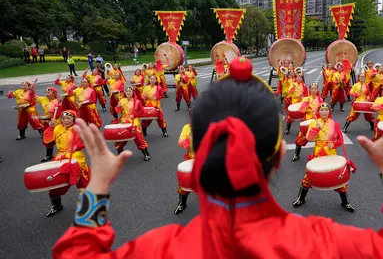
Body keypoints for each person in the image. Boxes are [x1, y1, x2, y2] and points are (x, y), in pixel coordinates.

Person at [53, 57, 383, 258]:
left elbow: (77, 254)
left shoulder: (162, 250)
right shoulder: (324, 245)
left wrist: (96, 185)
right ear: (280, 153)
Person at [292, 102, 355, 212]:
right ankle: (301, 199)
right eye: (322, 110)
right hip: (318, 152)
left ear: (329, 111)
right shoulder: (314, 122)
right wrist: (315, 129)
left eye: (326, 110)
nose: (324, 112)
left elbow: (340, 140)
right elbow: (309, 138)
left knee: (337, 176)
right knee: (308, 177)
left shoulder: (335, 124)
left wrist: (334, 144)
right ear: (318, 112)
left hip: (331, 153)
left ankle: (345, 202)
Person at [44, 110, 90, 217]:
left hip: (75, 156)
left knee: (83, 181)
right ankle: (56, 205)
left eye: (68, 118)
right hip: (60, 157)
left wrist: (77, 147)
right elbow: (48, 141)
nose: (65, 120)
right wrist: (50, 128)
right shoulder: (58, 128)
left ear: (73, 119)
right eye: (63, 118)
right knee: (55, 181)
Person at [115, 87, 150, 161]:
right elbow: (118, 111)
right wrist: (118, 106)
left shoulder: (137, 102)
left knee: (139, 137)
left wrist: (134, 115)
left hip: (134, 121)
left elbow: (142, 112)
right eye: (127, 91)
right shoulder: (122, 100)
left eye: (130, 91)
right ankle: (120, 151)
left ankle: (146, 154)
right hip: (124, 121)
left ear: (133, 92)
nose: (128, 92)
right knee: (121, 137)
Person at [291, 83, 323, 161]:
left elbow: (323, 112)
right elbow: (301, 111)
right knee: (300, 139)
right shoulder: (306, 99)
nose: (314, 90)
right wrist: (306, 104)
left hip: (315, 122)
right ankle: (296, 154)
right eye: (312, 88)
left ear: (317, 90)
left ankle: (317, 156)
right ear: (309, 89)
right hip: (307, 121)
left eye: (315, 88)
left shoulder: (320, 100)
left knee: (319, 140)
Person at [35, 87, 62, 162]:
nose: (46, 94)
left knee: (60, 138)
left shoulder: (58, 102)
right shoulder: (43, 99)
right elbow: (33, 97)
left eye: (48, 93)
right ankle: (49, 155)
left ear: (54, 93)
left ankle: (63, 153)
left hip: (57, 122)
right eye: (46, 92)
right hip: (47, 123)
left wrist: (54, 119)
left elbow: (60, 113)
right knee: (48, 139)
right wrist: (32, 88)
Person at [174, 123, 194, 215]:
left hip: (208, 160)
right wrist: (189, 138)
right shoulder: (187, 127)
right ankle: (182, 203)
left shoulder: (214, 126)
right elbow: (180, 143)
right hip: (191, 159)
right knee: (185, 184)